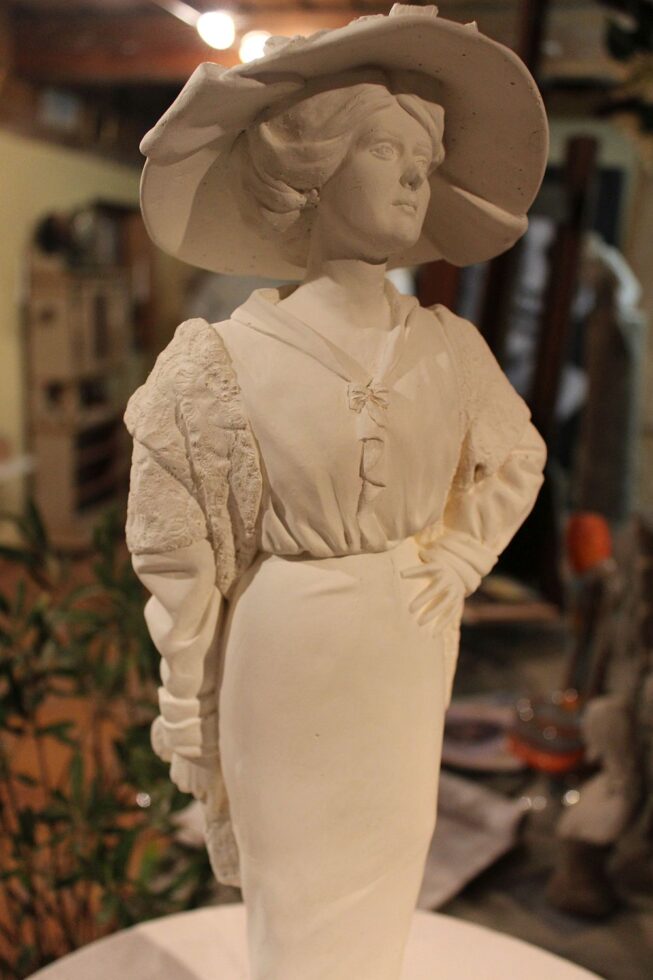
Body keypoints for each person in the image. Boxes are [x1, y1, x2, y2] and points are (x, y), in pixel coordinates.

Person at [125, 7, 549, 978]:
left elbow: (515, 456)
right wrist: (185, 698)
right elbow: (177, 554)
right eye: (386, 150)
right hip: (287, 644)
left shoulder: (447, 348)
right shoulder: (221, 362)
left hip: (407, 640)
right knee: (296, 880)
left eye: (425, 160)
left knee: (391, 856)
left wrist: (460, 551)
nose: (413, 178)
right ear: (312, 165)